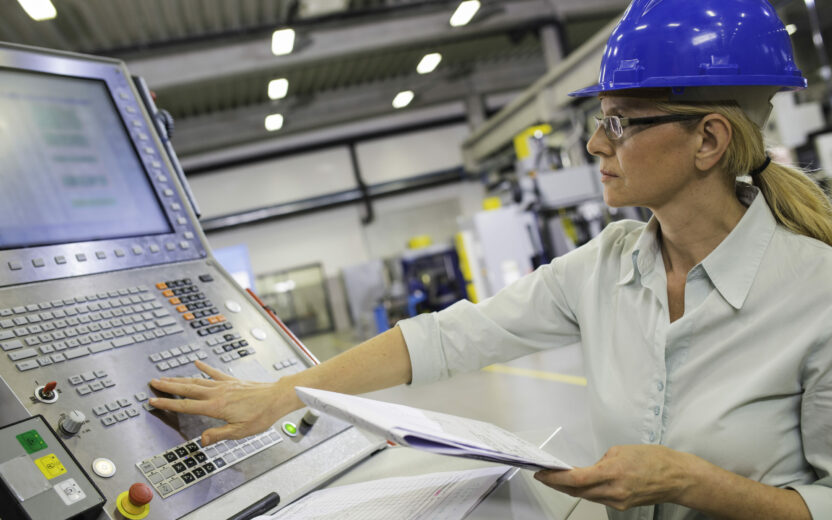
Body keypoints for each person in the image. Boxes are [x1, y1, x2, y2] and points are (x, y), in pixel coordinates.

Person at [149, 1, 832, 518]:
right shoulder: (607, 266)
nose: (596, 144)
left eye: (620, 122)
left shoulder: (815, 294)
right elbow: (449, 337)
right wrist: (283, 393)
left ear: (708, 140)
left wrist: (691, 483)